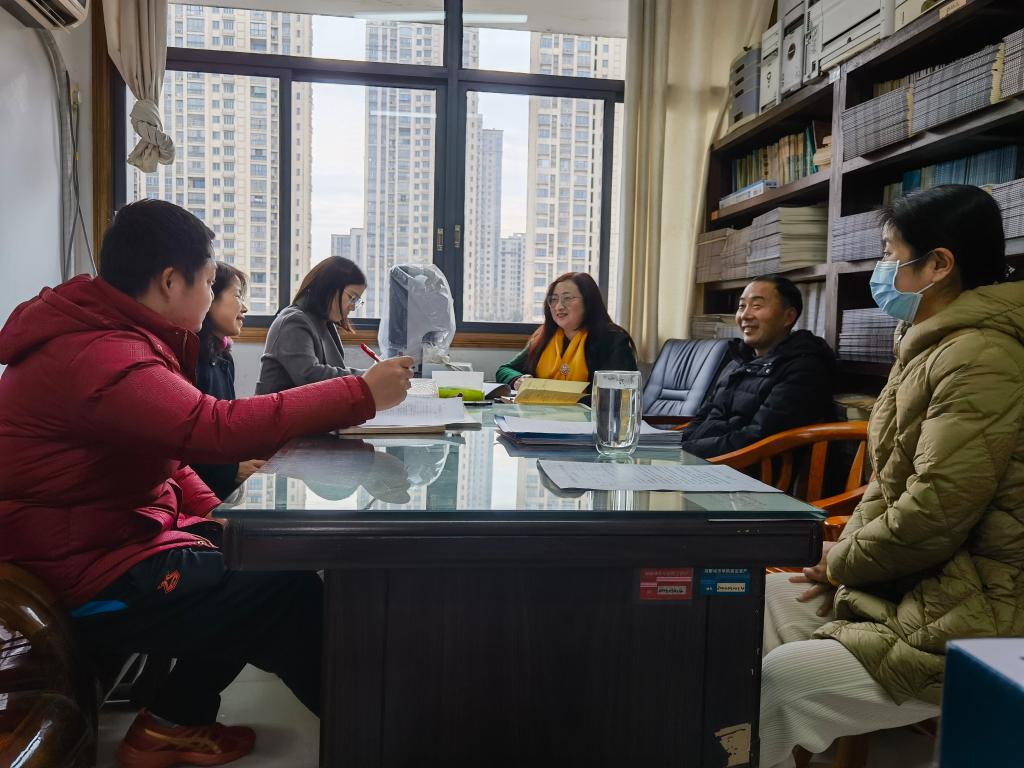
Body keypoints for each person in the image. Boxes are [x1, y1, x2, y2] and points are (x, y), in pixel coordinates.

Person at [0, 200, 413, 768]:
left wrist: (214, 513)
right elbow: (210, 428)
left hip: (112, 541)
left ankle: (172, 723)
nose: (217, 294)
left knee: (260, 557)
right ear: (171, 281)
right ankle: (391, 739)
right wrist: (360, 393)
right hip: (86, 571)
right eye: (210, 280)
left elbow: (168, 456)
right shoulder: (102, 355)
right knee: (280, 591)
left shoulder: (114, 337)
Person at [759, 185, 1024, 767]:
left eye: (889, 253)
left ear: (939, 264)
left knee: (782, 682)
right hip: (926, 580)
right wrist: (844, 557)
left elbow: (934, 509)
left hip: (983, 605)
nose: (881, 270)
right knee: (762, 602)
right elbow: (892, 483)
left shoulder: (981, 356)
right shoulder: (931, 344)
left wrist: (843, 563)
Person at [677, 275, 834, 459]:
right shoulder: (737, 361)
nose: (745, 315)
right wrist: (668, 446)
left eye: (757, 306)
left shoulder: (804, 369)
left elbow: (756, 438)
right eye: (742, 306)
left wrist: (682, 453)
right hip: (705, 460)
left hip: (742, 470)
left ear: (788, 317)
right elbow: (702, 418)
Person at [191, 261, 265, 500]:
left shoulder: (223, 357)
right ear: (209, 296)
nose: (244, 307)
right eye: (237, 295)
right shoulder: (191, 359)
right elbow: (188, 443)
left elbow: (225, 427)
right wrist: (230, 470)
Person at [495, 272, 638, 391]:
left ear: (588, 302)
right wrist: (517, 380)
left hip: (587, 415)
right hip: (542, 413)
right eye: (553, 299)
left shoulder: (612, 340)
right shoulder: (544, 336)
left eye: (567, 298)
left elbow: (616, 394)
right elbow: (504, 370)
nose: (559, 306)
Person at [256, 256, 367, 394]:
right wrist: (368, 376)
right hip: (278, 408)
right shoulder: (293, 322)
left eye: (357, 301)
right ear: (328, 288)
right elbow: (310, 376)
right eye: (352, 298)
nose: (353, 307)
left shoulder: (325, 324)